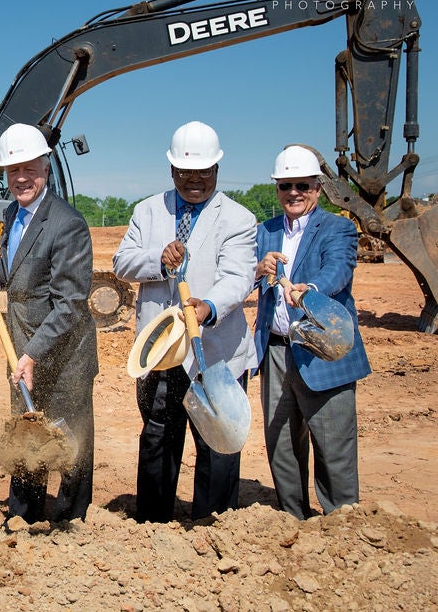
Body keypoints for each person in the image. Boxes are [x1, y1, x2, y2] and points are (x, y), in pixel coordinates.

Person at [113, 120, 257, 523]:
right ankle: (154, 525)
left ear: (217, 170)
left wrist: (208, 306)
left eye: (203, 173)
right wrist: (157, 259)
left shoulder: (238, 219)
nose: (193, 180)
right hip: (162, 352)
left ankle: (215, 524)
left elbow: (239, 276)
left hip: (216, 352)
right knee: (158, 437)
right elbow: (122, 262)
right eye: (184, 173)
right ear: (172, 170)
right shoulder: (147, 210)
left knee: (218, 442)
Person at [0, 123, 98, 523]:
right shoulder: (13, 212)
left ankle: (70, 516)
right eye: (12, 171)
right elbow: (17, 263)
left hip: (63, 355)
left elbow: (70, 304)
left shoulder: (68, 224)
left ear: (46, 167)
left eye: (29, 168)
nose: (21, 178)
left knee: (68, 436)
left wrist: (32, 354)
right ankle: (24, 513)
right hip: (24, 345)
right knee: (27, 431)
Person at [254, 145, 371, 519]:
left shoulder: (337, 228)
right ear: (277, 188)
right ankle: (294, 519)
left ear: (317, 188)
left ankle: (342, 524)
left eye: (302, 185)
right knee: (281, 446)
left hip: (323, 350)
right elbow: (244, 280)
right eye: (285, 185)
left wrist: (311, 290)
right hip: (275, 351)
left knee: (333, 446)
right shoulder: (265, 231)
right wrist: (258, 270)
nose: (293, 193)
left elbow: (338, 269)